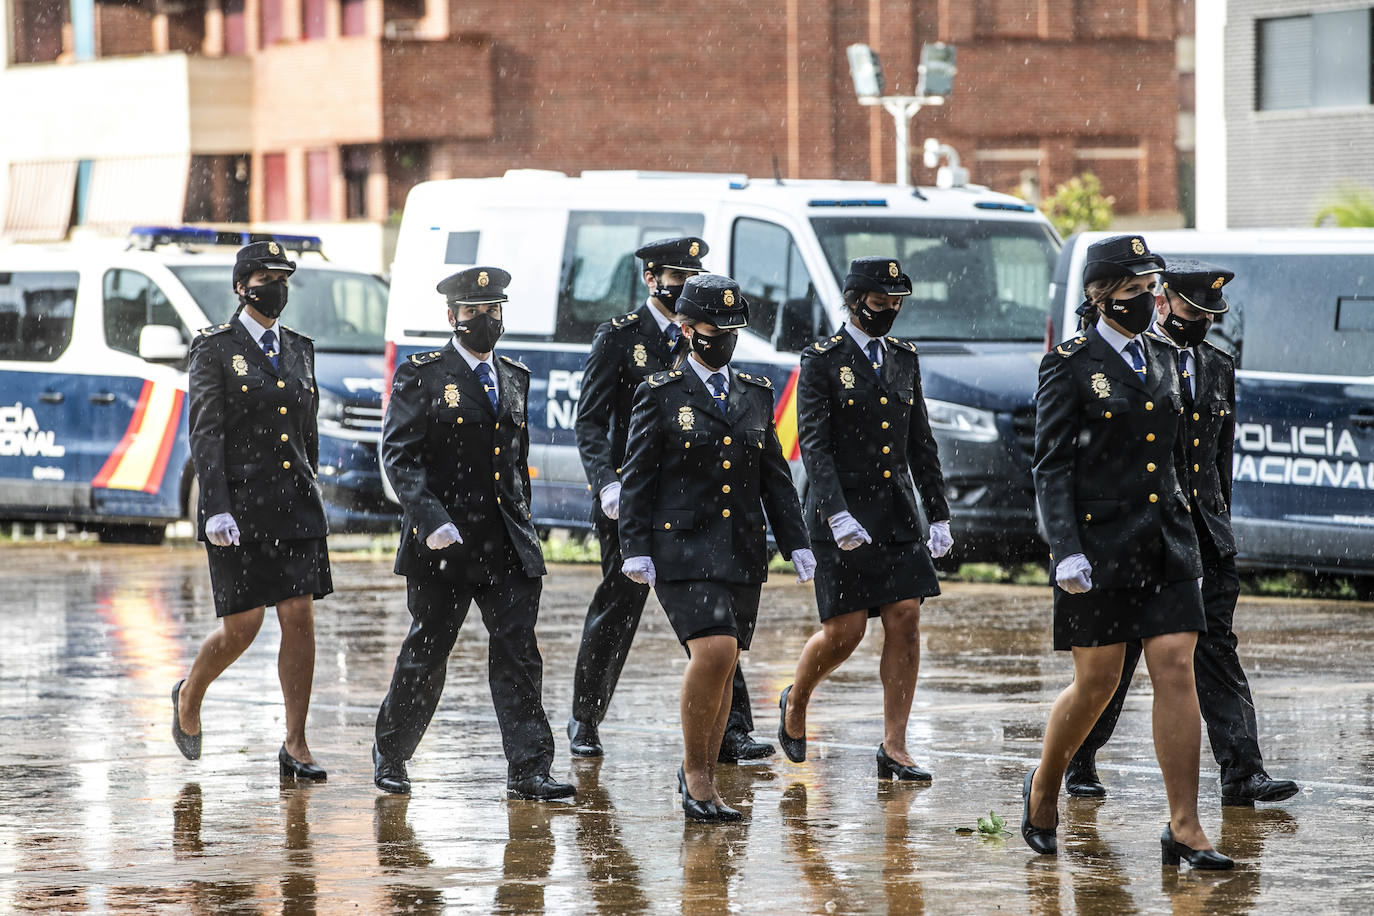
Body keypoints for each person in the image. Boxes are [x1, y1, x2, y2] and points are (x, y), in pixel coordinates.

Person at [1025, 235, 1232, 869]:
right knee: (1096, 683)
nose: (1148, 301)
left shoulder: (1167, 357)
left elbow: (1175, 455)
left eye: (1152, 289)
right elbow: (1052, 465)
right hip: (1098, 544)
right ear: (1102, 296)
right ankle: (1043, 785)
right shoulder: (1069, 362)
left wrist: (1201, 528)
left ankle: (1185, 826)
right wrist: (1065, 549)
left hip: (1166, 540)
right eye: (1135, 291)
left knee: (1175, 666)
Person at [1062, 259, 1299, 807]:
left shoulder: (1217, 365)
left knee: (1216, 648)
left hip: (1206, 532)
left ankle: (1243, 773)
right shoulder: (1139, 361)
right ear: (1163, 302)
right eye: (1192, 310)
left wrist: (1220, 523)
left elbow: (1220, 456)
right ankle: (1078, 758)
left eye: (1211, 316)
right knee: (1118, 655)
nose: (1201, 323)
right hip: (1151, 532)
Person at [371, 266, 574, 802]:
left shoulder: (513, 375)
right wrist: (430, 519)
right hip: (446, 543)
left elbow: (515, 461)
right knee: (428, 650)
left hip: (505, 542)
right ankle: (391, 752)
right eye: (473, 312)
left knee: (518, 654)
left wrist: (525, 523)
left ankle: (530, 768)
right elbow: (399, 455)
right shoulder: (424, 374)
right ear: (451, 317)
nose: (485, 320)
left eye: (493, 310)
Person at [569, 237, 774, 763]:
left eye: (691, 274)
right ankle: (586, 717)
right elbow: (591, 423)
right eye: (674, 275)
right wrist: (607, 482)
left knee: (716, 618)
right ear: (650, 278)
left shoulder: (705, 331)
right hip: (631, 500)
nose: (683, 284)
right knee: (619, 607)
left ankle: (732, 729)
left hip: (695, 502)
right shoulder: (621, 338)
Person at [617, 273, 814, 821]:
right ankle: (697, 775)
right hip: (680, 546)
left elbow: (772, 475)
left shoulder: (753, 393)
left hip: (740, 547)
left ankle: (702, 771)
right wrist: (634, 545)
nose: (723, 338)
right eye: (712, 329)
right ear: (685, 330)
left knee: (726, 666)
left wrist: (796, 541)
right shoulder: (659, 394)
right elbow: (638, 478)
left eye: (732, 329)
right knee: (715, 652)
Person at [779, 256, 953, 781]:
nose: (890, 312)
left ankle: (895, 745)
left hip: (895, 513)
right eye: (881, 303)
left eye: (897, 304)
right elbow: (815, 445)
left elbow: (919, 441)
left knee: (906, 619)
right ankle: (797, 698)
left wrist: (938, 513)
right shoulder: (822, 361)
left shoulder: (904, 358)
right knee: (844, 633)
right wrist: (835, 514)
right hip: (842, 515)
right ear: (856, 302)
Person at [173, 240, 332, 781]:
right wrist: (214, 507)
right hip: (239, 509)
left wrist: (313, 484)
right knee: (243, 627)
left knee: (299, 617)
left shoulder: (301, 348)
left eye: (284, 277)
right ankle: (190, 694)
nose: (277, 286)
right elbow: (207, 432)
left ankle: (296, 743)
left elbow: (307, 433)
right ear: (243, 287)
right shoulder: (215, 348)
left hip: (294, 505)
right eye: (266, 277)